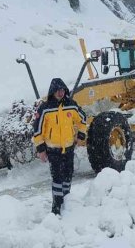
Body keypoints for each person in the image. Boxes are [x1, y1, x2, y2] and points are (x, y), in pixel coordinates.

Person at [32, 78, 87, 215]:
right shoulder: (45, 108)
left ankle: (66, 202)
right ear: (53, 91)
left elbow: (82, 119)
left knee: (68, 175)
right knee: (57, 178)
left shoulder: (71, 105)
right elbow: (37, 129)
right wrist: (41, 149)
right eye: (58, 90)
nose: (61, 93)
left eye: (62, 90)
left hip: (68, 148)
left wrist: (81, 134)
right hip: (53, 150)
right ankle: (56, 206)